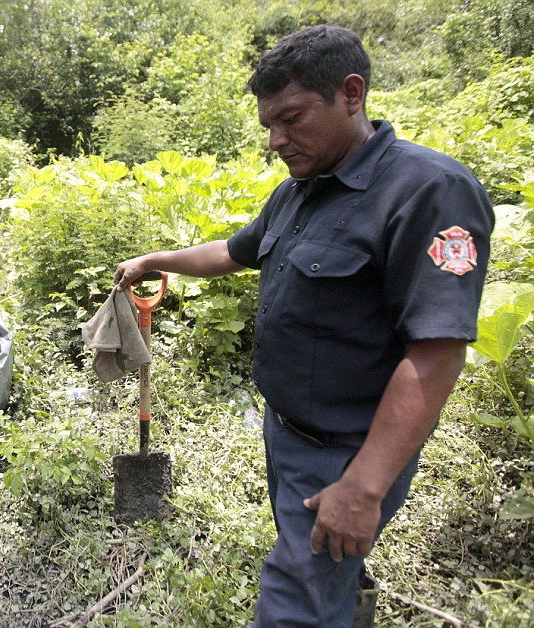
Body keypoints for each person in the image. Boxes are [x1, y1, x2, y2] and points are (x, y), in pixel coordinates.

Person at [114, 24, 494, 627]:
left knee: (295, 605)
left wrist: (364, 488)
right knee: (326, 576)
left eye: (291, 119)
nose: (276, 140)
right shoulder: (300, 190)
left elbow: (436, 355)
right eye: (268, 124)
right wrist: (156, 260)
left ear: (351, 93)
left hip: (346, 453)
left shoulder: (428, 191)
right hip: (287, 431)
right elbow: (232, 253)